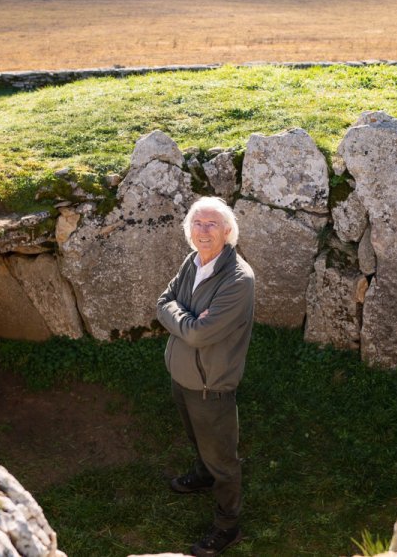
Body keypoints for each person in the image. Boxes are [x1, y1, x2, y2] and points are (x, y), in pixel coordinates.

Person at [156, 196, 255, 557]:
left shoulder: (239, 279)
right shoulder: (193, 260)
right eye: (197, 224)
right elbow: (162, 301)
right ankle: (202, 474)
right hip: (181, 375)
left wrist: (182, 320)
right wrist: (191, 319)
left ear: (228, 232)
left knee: (224, 460)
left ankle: (228, 525)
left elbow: (198, 335)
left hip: (210, 386)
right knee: (197, 438)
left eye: (212, 224)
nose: (203, 231)